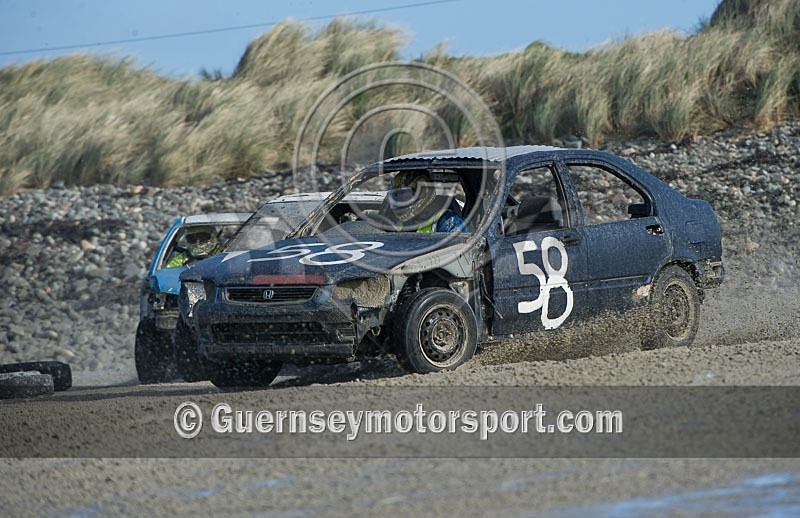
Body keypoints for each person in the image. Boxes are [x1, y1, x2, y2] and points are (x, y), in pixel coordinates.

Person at [382, 171, 467, 233]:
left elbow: (458, 253)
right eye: (396, 195)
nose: (400, 198)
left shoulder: (448, 221)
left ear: (422, 193)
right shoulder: (398, 222)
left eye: (404, 193)